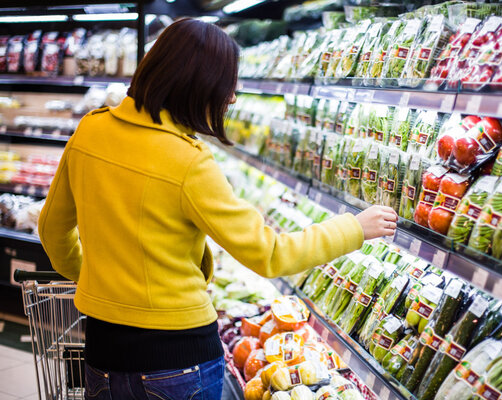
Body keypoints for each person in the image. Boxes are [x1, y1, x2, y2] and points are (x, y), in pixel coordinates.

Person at [38, 18, 398, 400]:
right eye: (227, 86)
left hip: (102, 348)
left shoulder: (90, 132)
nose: (232, 98)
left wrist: (102, 281)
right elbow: (270, 255)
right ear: (198, 85)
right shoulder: (188, 162)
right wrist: (355, 227)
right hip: (178, 358)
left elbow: (51, 229)